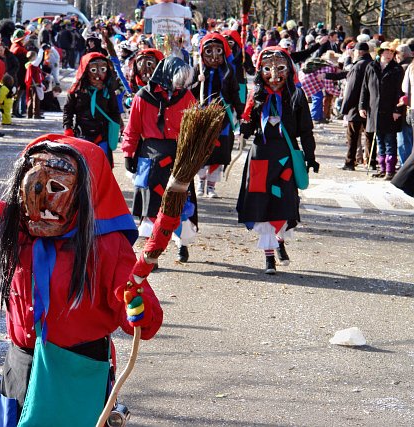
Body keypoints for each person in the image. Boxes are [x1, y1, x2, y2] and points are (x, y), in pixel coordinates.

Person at [0, 122, 163, 427]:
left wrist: (138, 310)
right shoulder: (15, 229)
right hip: (20, 369)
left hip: (77, 374)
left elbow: (139, 312)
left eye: (57, 188)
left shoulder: (106, 247)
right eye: (33, 187)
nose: (41, 203)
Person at [237, 47, 319, 274]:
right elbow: (248, 127)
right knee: (261, 205)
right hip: (260, 157)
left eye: (280, 68)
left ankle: (279, 240)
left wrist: (310, 156)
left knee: (283, 203)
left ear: (289, 70)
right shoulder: (256, 95)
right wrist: (245, 122)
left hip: (285, 157)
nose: (274, 75)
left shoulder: (296, 96)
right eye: (267, 69)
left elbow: (306, 130)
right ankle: (269, 257)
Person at [121, 56, 197, 263]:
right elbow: (132, 129)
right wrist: (128, 154)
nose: (181, 85)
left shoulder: (186, 96)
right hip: (150, 157)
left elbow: (196, 126)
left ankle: (182, 244)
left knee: (180, 204)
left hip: (179, 156)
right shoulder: (143, 97)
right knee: (151, 207)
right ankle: (150, 255)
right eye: (179, 80)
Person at [195, 33, 243, 198]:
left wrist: (241, 113)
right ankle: (201, 182)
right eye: (209, 51)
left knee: (218, 151)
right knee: (200, 151)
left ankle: (211, 186)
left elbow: (235, 93)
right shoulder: (198, 70)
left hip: (223, 118)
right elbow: (189, 93)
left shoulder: (228, 72)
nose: (214, 56)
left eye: (218, 51)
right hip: (201, 117)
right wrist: (197, 81)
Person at [63, 52, 122, 167]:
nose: (98, 75)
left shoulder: (108, 91)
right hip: (82, 134)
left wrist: (114, 129)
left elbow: (114, 111)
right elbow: (68, 111)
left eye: (103, 70)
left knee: (103, 167)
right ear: (85, 70)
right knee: (83, 167)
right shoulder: (76, 91)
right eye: (94, 70)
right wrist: (68, 128)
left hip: (102, 135)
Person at [360, 41, 404, 180]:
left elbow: (400, 91)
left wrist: (397, 109)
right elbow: (365, 88)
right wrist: (362, 106)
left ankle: (390, 170)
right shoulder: (371, 67)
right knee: (379, 140)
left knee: (390, 140)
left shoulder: (397, 69)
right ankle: (382, 168)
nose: (389, 54)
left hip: (390, 110)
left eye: (391, 52)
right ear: (380, 52)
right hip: (374, 110)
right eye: (386, 51)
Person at [340, 42, 374, 170]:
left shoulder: (358, 66)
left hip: (355, 106)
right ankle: (370, 162)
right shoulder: (373, 64)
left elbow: (351, 88)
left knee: (353, 136)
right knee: (370, 135)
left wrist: (345, 108)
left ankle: (350, 162)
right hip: (371, 106)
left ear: (359, 52)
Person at [24, 51, 44, 120]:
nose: (37, 58)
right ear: (33, 57)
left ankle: (29, 114)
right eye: (36, 56)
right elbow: (39, 58)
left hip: (31, 85)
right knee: (36, 100)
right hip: (35, 84)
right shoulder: (33, 64)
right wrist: (41, 50)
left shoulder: (29, 65)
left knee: (30, 99)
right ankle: (36, 114)